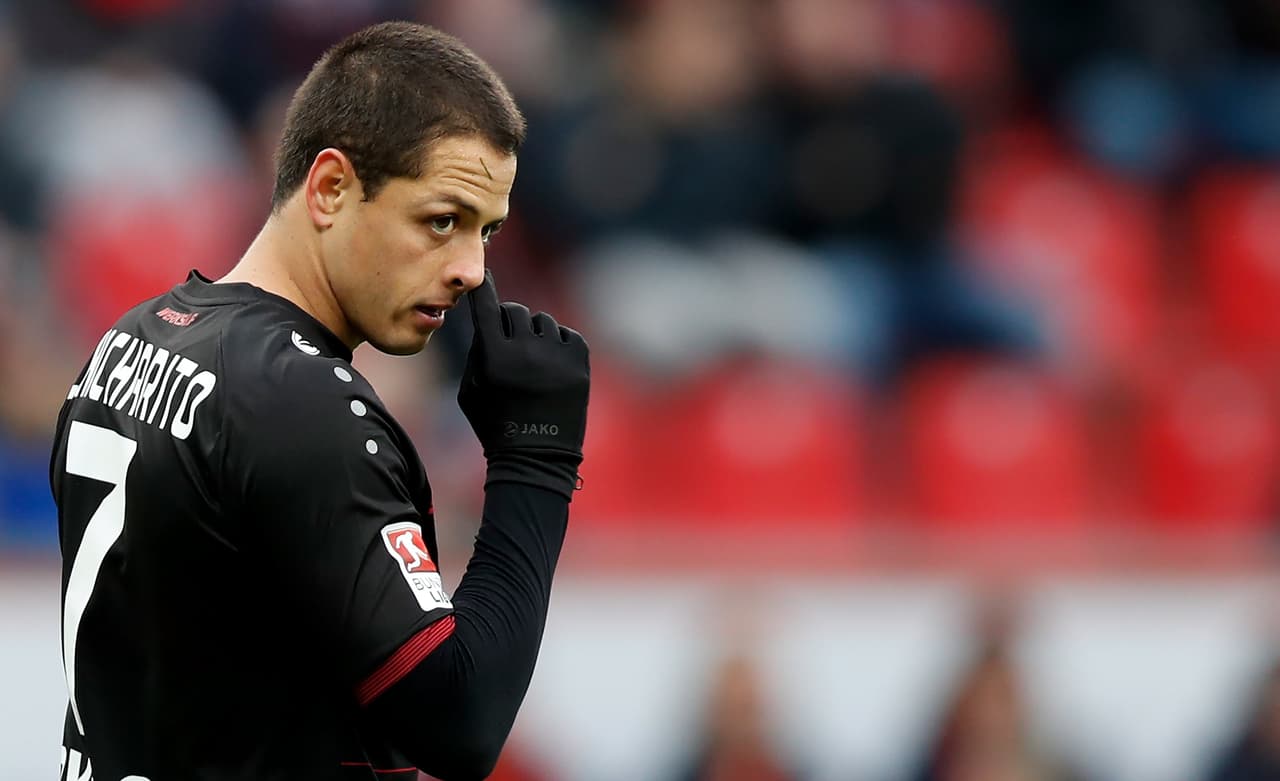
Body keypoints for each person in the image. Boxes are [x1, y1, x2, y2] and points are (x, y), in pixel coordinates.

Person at [49, 21, 589, 781]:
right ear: (331, 188)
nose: (471, 268)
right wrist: (537, 460)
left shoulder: (133, 337)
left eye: (487, 231)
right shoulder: (302, 404)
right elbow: (458, 722)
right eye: (442, 220)